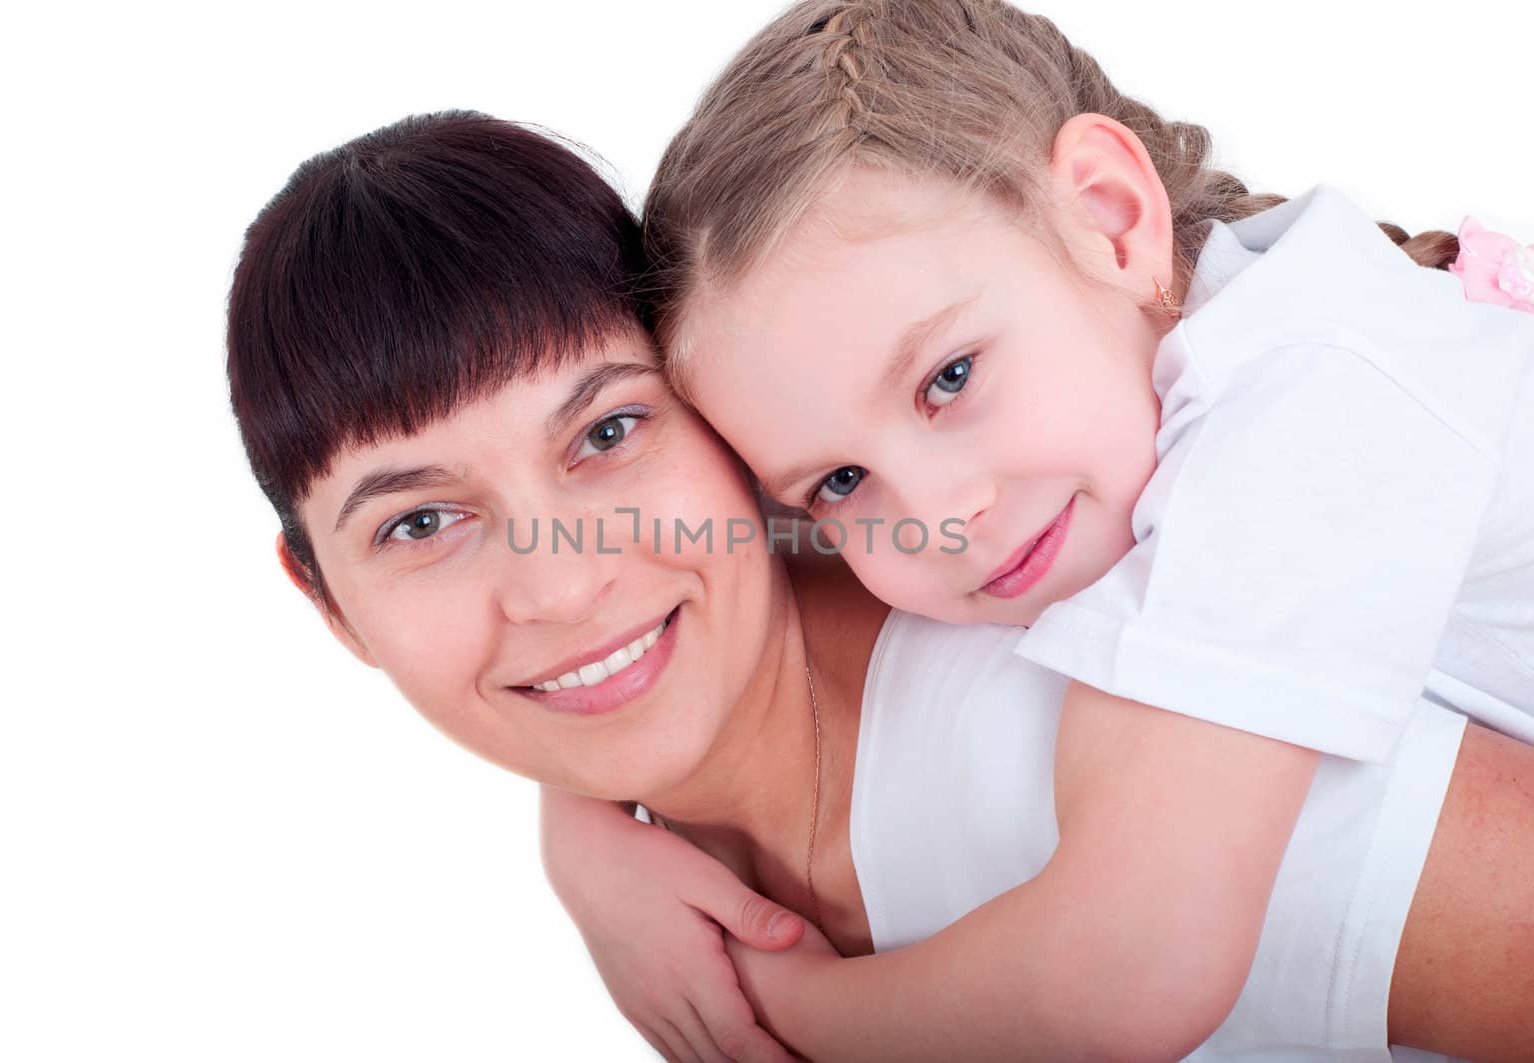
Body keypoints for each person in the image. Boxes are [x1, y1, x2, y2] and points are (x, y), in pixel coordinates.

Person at [226, 110, 1533, 1062]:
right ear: (328, 600)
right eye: (422, 522)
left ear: (727, 426)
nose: (559, 587)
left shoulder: (1111, 729)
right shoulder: (679, 845)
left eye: (611, 434)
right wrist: (582, 828)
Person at [543, 0, 1534, 1057]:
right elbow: (708, 570)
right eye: (839, 480)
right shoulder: (1210, 334)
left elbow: (1131, 969)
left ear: (1109, 216)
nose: (936, 516)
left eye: (949, 378)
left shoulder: (1314, 403)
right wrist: (582, 820)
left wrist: (770, 1002)